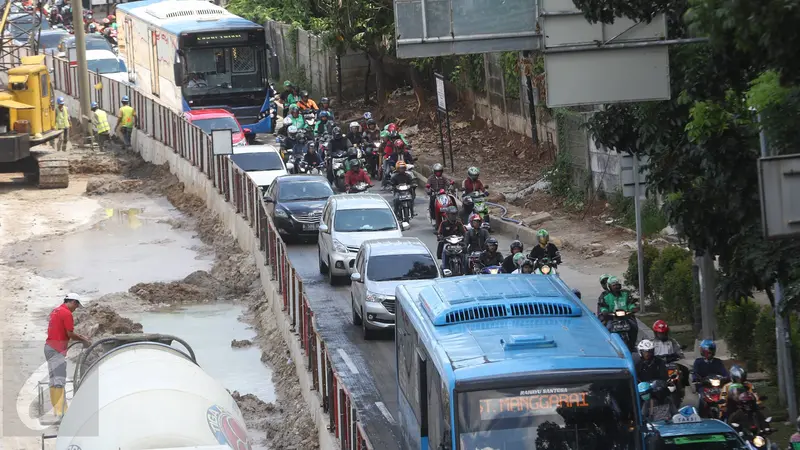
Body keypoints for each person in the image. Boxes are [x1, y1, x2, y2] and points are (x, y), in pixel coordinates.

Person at [45, 293, 90, 418]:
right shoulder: (67, 313)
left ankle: (57, 410)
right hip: (56, 349)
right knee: (59, 380)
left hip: (49, 347)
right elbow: (69, 334)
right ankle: (61, 412)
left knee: (54, 379)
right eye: (76, 306)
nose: (76, 309)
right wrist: (83, 340)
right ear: (73, 302)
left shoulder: (56, 311)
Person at [692, 340, 729, 416]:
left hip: (717, 386)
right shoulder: (698, 362)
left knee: (726, 396)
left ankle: (726, 413)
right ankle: (700, 415)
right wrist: (696, 379)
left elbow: (724, 372)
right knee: (701, 399)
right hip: (704, 385)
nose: (708, 354)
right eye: (707, 351)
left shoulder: (718, 362)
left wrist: (726, 377)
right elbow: (695, 372)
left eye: (710, 351)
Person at [598, 276, 639, 344]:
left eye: (618, 285)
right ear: (609, 286)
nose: (616, 287)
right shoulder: (605, 295)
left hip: (626, 317)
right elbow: (602, 306)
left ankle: (632, 345)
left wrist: (632, 308)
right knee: (606, 330)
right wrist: (604, 311)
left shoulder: (626, 293)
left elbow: (630, 303)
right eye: (614, 285)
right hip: (611, 318)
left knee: (634, 327)